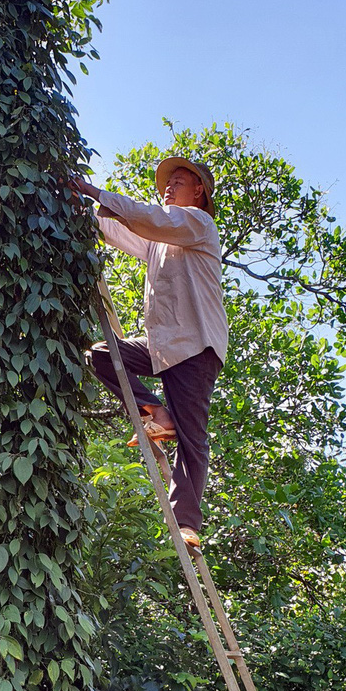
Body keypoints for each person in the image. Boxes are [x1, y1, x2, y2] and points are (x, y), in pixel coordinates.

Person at [70, 157, 228, 550]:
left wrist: (97, 193)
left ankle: (187, 522)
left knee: (193, 438)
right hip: (164, 345)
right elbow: (124, 230)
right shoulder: (160, 240)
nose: (168, 188)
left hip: (195, 345)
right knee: (103, 356)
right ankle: (158, 412)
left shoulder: (197, 224)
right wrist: (82, 208)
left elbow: (152, 219)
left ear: (199, 192)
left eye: (178, 182)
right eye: (167, 184)